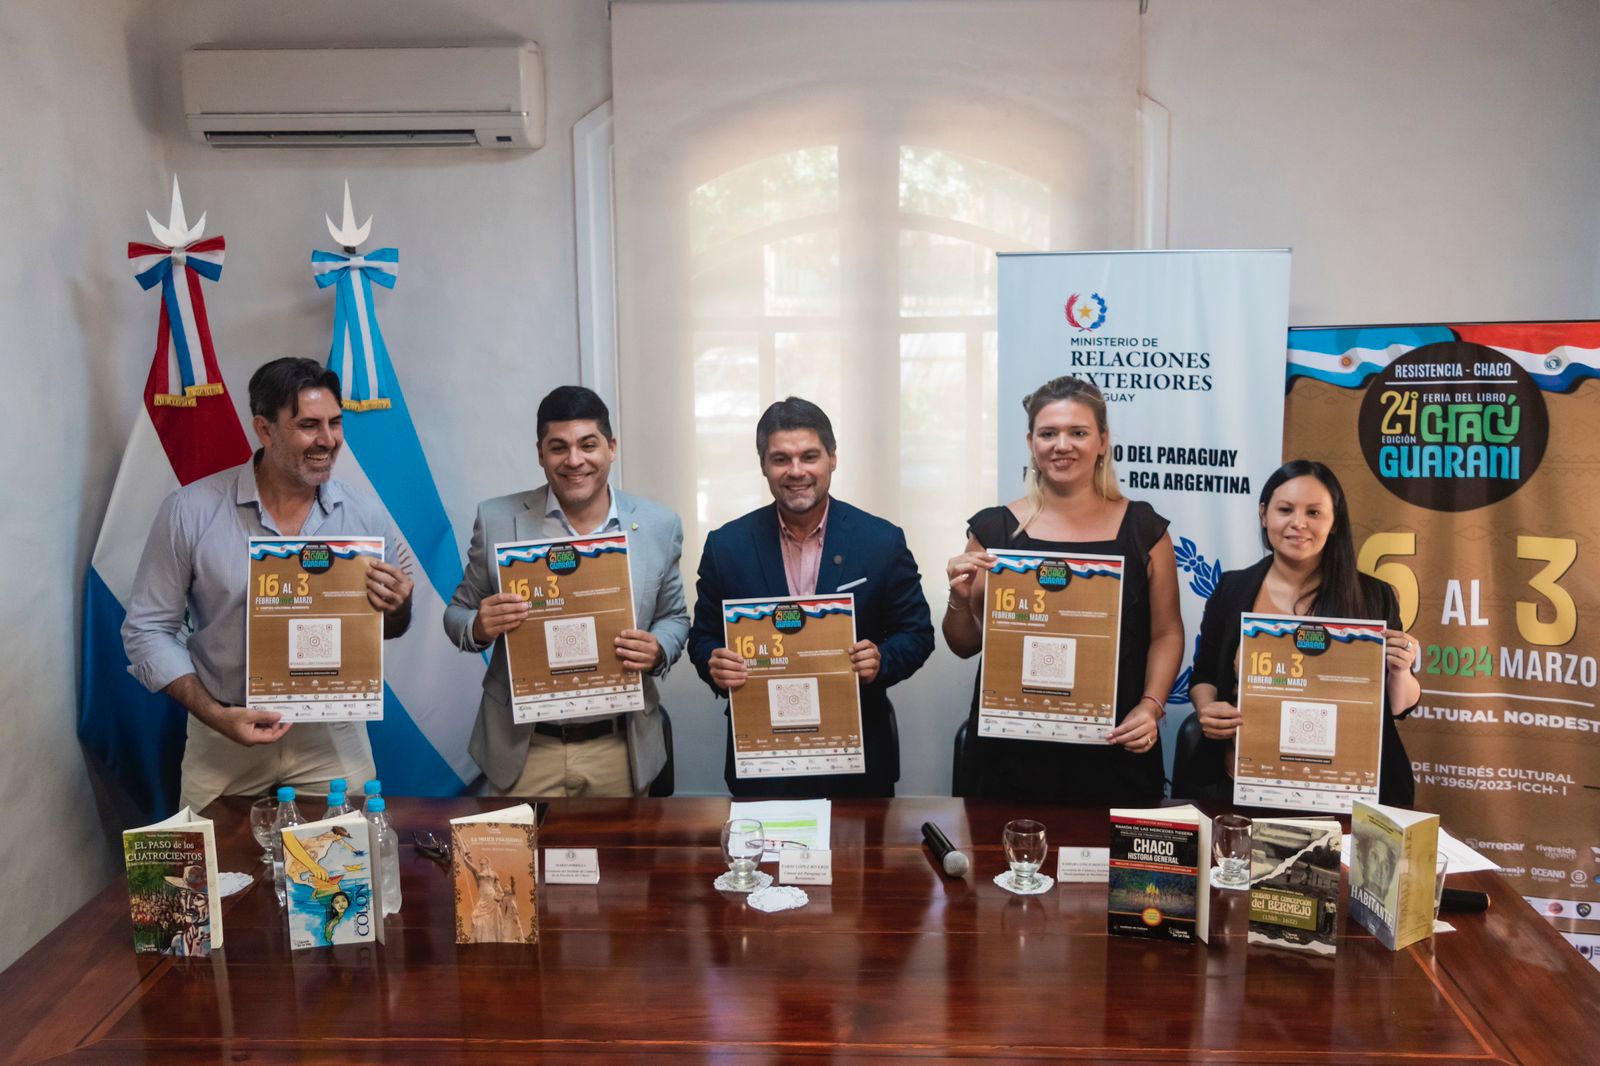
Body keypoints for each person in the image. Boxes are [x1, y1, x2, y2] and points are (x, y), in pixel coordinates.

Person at [123, 358, 416, 813]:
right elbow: (146, 629)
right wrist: (215, 714)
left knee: (345, 857)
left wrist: (398, 606)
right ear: (265, 429)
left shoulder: (365, 513)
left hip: (331, 737)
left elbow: (389, 627)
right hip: (223, 735)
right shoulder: (189, 510)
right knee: (211, 860)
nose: (328, 440)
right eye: (308, 425)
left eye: (335, 423)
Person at [943, 376, 1184, 805]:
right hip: (1011, 755)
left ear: (1103, 441)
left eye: (1078, 432)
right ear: (1031, 442)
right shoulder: (994, 530)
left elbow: (1166, 633)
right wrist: (958, 601)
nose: (1062, 445)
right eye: (1048, 433)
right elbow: (965, 645)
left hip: (1114, 746)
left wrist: (1151, 706)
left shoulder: (1144, 530)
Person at [444, 386, 689, 797]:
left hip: (619, 746)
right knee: (514, 844)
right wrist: (480, 626)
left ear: (611, 448)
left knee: (621, 844)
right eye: (558, 447)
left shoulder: (658, 525)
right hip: (523, 747)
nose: (574, 460)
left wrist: (659, 647)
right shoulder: (497, 519)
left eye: (588, 445)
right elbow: (457, 613)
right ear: (540, 454)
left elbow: (674, 617)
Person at [688, 397, 934, 798]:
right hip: (764, 760)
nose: (796, 471)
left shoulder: (881, 541)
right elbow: (702, 638)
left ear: (832, 458)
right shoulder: (726, 546)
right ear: (763, 465)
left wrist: (882, 660)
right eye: (780, 459)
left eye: (809, 456)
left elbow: (918, 633)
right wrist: (714, 663)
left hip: (858, 763)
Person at [1187, 459, 1419, 805]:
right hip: (1243, 785)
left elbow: (1398, 707)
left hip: (1344, 791)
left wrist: (1401, 670)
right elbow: (1204, 675)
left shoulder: (1373, 596)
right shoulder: (1232, 589)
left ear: (1334, 521)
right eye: (1285, 510)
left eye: (1314, 512)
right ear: (1264, 514)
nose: (1299, 523)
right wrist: (1207, 709)